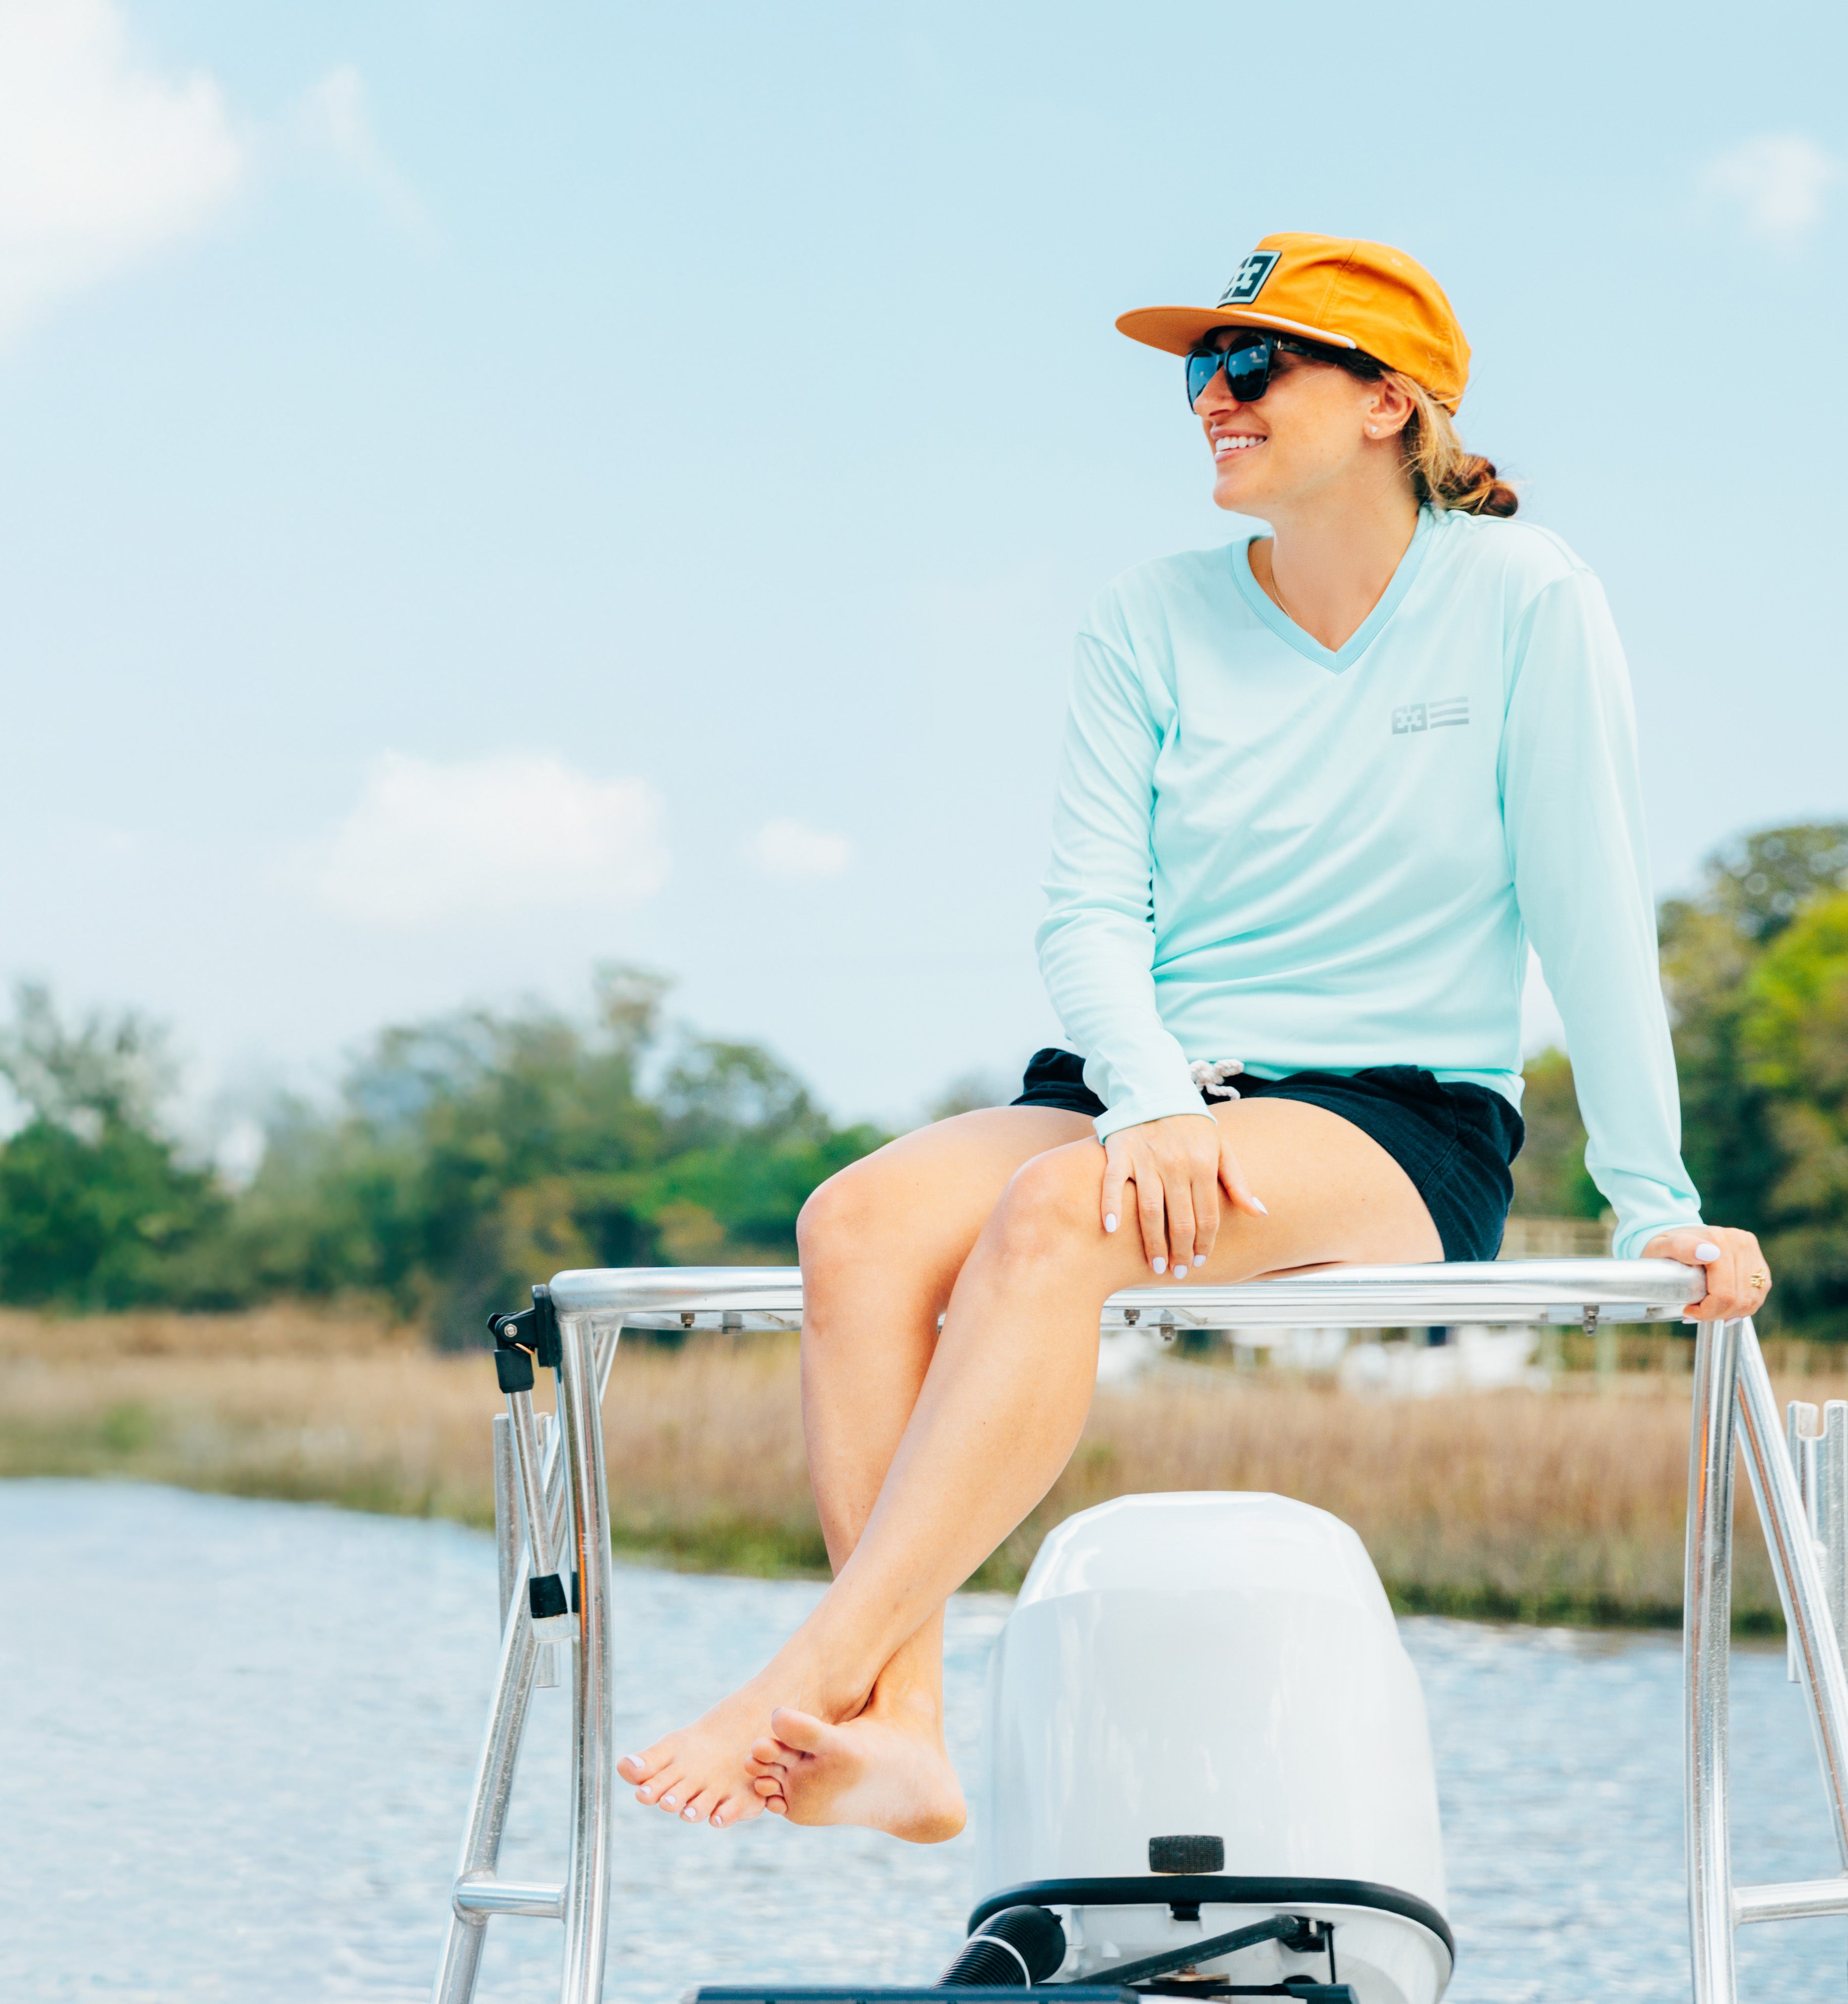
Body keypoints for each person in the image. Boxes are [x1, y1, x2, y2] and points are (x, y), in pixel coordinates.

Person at [615, 232, 1769, 1841]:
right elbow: (1087, 915)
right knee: (858, 1220)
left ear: (1388, 400)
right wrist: (1151, 1097)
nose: (1212, 401)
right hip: (1144, 1089)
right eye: (1196, 372)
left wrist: (1655, 1199)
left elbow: (1592, 912)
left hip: (1389, 1111)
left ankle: (805, 1674)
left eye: (1252, 365)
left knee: (1053, 1216)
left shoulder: (1523, 598)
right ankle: (916, 1735)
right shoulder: (1143, 618)